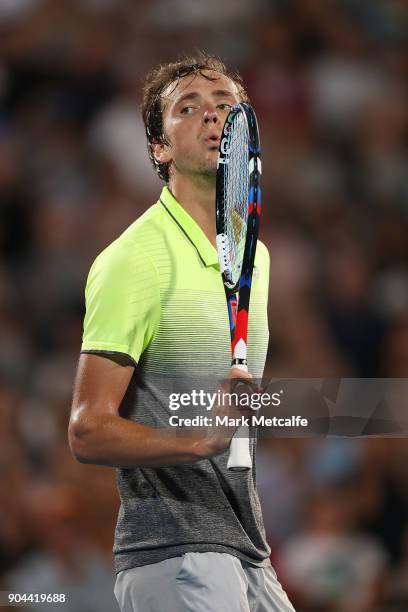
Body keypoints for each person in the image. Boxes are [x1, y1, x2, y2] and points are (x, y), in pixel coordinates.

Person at [68, 53, 295, 612]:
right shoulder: (135, 259)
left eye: (225, 107)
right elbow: (87, 431)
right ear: (159, 148)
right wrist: (199, 441)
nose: (212, 117)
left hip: (247, 548)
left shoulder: (254, 257)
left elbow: (218, 404)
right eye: (188, 109)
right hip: (175, 553)